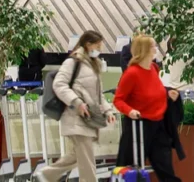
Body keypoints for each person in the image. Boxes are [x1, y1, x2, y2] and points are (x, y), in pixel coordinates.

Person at [38, 31, 116, 182]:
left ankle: (47, 174)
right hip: (75, 117)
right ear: (88, 44)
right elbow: (59, 84)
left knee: (78, 155)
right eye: (98, 45)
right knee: (87, 162)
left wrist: (108, 110)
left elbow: (98, 95)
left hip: (88, 118)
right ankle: (48, 174)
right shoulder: (73, 62)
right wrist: (77, 102)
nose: (99, 49)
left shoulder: (93, 64)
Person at [114, 34, 183, 182]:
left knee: (165, 168)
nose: (156, 49)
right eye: (153, 46)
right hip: (139, 126)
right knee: (129, 168)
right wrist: (130, 111)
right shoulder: (131, 73)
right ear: (145, 50)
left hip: (158, 126)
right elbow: (118, 99)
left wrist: (166, 93)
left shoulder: (153, 68)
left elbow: (152, 90)